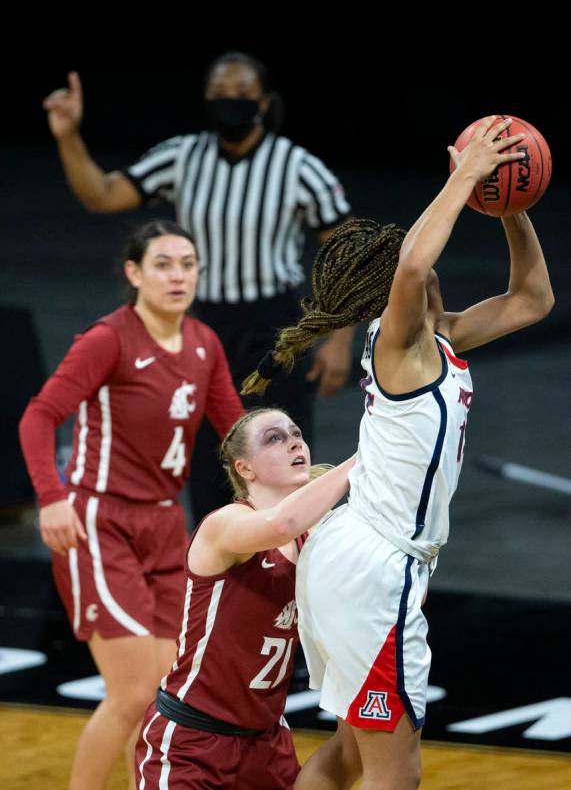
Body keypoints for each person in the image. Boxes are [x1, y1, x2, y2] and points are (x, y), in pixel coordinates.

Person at [241, 116, 555, 790]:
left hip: (356, 559)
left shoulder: (439, 340)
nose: (425, 266)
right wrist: (466, 175)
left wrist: (509, 207)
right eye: (408, 270)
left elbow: (534, 298)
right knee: (396, 773)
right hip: (374, 570)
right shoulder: (399, 344)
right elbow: (413, 259)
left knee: (350, 755)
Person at [42, 54, 353, 522]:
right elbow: (101, 194)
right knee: (211, 460)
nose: (231, 102)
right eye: (220, 93)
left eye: (242, 94)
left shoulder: (296, 166)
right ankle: (214, 580)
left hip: (274, 328)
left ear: (264, 102)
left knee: (280, 461)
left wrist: (342, 338)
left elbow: (348, 251)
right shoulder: (182, 155)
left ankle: (291, 580)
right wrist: (67, 135)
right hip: (200, 326)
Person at [19, 219, 244, 790]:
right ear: (134, 273)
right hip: (101, 523)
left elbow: (235, 432)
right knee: (132, 694)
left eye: (187, 264)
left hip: (167, 524)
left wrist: (289, 481)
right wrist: (51, 497)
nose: (177, 276)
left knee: (166, 697)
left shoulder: (203, 342)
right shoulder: (109, 339)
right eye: (163, 264)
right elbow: (39, 417)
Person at [134, 406, 355, 789]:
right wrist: (367, 455)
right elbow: (280, 524)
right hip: (192, 741)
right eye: (275, 438)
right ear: (245, 469)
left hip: (265, 743)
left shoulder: (314, 536)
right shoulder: (224, 524)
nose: (294, 443)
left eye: (295, 433)